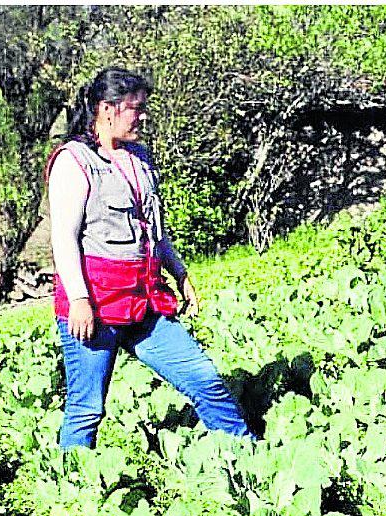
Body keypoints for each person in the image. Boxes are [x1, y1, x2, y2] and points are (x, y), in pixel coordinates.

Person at [45, 67, 252, 450]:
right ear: (107, 109)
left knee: (204, 378)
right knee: (86, 407)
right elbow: (64, 238)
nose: (142, 117)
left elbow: (155, 229)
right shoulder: (72, 162)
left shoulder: (139, 158)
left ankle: (246, 454)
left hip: (144, 301)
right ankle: (73, 489)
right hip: (96, 305)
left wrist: (181, 273)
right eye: (135, 109)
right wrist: (78, 300)